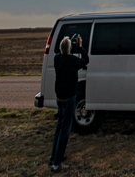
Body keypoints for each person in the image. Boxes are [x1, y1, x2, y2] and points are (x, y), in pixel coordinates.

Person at [50, 35, 89, 172]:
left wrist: (69, 44)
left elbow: (64, 54)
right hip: (69, 98)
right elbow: (86, 59)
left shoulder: (57, 59)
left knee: (59, 127)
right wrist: (80, 45)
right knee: (65, 131)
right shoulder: (73, 60)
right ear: (70, 48)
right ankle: (56, 164)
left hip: (59, 98)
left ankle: (54, 156)